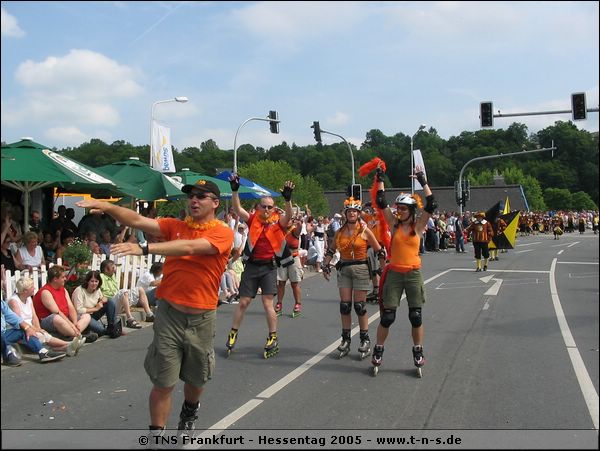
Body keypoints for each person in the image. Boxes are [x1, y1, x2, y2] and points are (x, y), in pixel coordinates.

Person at [76, 178, 233, 436]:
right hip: (169, 314)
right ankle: (156, 436)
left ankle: (190, 409)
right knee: (163, 381)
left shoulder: (222, 232)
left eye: (201, 196)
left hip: (201, 317)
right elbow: (137, 221)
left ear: (215, 203)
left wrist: (145, 247)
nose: (193, 200)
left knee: (196, 378)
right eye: (191, 195)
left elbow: (193, 247)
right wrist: (107, 206)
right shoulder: (175, 226)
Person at [369, 164, 435, 375]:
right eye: (398, 208)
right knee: (388, 317)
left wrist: (423, 182)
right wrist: (380, 178)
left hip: (413, 273)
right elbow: (381, 201)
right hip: (395, 273)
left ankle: (418, 350)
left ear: (412, 211)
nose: (399, 211)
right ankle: (378, 349)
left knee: (415, 316)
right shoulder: (394, 224)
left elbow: (432, 203)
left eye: (403, 209)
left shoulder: (418, 226)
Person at [225, 175, 295, 358]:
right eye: (263, 206)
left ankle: (273, 337)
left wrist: (288, 200)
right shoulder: (253, 219)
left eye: (269, 207)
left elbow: (289, 216)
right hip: (252, 266)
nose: (266, 209)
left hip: (269, 267)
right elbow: (238, 209)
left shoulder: (277, 221)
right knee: (244, 302)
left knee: (267, 303)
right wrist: (234, 190)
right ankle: (233, 333)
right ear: (258, 207)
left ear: (273, 209)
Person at [321, 196, 384, 360]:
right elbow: (331, 250)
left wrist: (384, 269)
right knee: (345, 306)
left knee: (360, 306)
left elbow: (379, 250)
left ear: (358, 213)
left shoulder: (364, 230)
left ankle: (364, 339)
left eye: (355, 211)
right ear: (345, 213)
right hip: (344, 268)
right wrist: (325, 265)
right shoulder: (340, 232)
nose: (352, 214)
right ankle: (346, 339)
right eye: (349, 211)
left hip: (361, 268)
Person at [8, 276, 83, 356]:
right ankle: (69, 344)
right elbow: (20, 322)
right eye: (32, 287)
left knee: (42, 334)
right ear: (25, 291)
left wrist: (38, 328)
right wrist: (36, 329)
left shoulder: (29, 298)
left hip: (30, 327)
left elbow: (34, 316)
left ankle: (67, 347)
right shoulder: (14, 301)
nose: (34, 288)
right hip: (21, 329)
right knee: (43, 336)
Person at [32, 265, 97, 343]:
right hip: (48, 320)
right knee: (56, 318)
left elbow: (70, 307)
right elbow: (57, 312)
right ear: (55, 279)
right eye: (62, 277)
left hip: (65, 318)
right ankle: (79, 336)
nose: (65, 279)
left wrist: (75, 323)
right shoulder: (46, 292)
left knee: (86, 316)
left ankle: (73, 335)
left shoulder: (63, 289)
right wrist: (71, 325)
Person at [2, 297, 67, 364]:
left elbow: (12, 317)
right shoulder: (13, 300)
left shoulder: (2, 303)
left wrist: (27, 328)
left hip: (4, 333)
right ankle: (7, 354)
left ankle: (42, 352)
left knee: (25, 330)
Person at [71, 270, 118, 337]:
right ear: (87, 281)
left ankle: (112, 326)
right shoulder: (79, 291)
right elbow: (79, 310)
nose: (94, 284)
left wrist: (103, 299)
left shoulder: (97, 289)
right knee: (101, 331)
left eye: (96, 281)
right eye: (92, 281)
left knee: (110, 301)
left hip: (93, 314)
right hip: (83, 317)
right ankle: (95, 331)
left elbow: (101, 298)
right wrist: (95, 308)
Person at [98, 259, 143, 329]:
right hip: (109, 302)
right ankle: (130, 319)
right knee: (123, 291)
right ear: (106, 270)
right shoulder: (101, 277)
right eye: (112, 267)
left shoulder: (112, 276)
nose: (114, 269)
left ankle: (149, 314)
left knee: (140, 289)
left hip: (117, 300)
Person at [275, 216, 304, 317]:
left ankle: (298, 304)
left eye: (289, 220)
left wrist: (299, 222)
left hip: (293, 259)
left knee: (294, 283)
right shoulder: (279, 231)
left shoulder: (294, 231)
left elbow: (299, 228)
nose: (287, 222)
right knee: (281, 283)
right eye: (285, 220)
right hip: (282, 259)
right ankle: (279, 303)